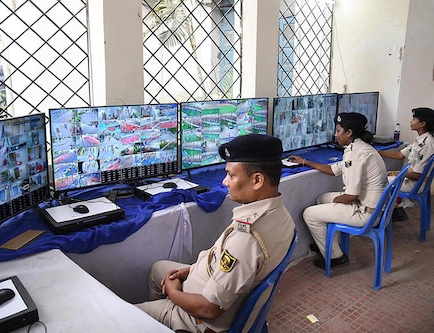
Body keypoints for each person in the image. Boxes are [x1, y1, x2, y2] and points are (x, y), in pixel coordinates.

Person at [135, 134, 295, 333]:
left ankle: (171, 315)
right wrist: (191, 270)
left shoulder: (247, 238)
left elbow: (209, 309)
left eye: (231, 175)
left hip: (202, 320)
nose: (225, 182)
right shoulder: (280, 214)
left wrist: (174, 293)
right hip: (211, 284)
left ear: (257, 180)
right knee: (159, 268)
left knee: (127, 314)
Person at [288, 112, 388, 269]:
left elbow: (350, 196)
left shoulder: (357, 154)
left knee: (309, 213)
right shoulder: (358, 147)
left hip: (367, 214)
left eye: (338, 130)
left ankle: (336, 257)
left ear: (349, 133)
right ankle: (327, 244)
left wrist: (337, 201)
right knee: (322, 198)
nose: (335, 134)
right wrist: (305, 161)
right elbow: (334, 169)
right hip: (371, 205)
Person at [378, 107, 434, 192]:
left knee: (377, 181)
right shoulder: (421, 139)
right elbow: (400, 155)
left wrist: (398, 174)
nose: (411, 122)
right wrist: (378, 152)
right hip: (409, 177)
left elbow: (418, 175)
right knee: (379, 176)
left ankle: (382, 205)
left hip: (415, 183)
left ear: (422, 124)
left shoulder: (427, 144)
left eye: (414, 119)